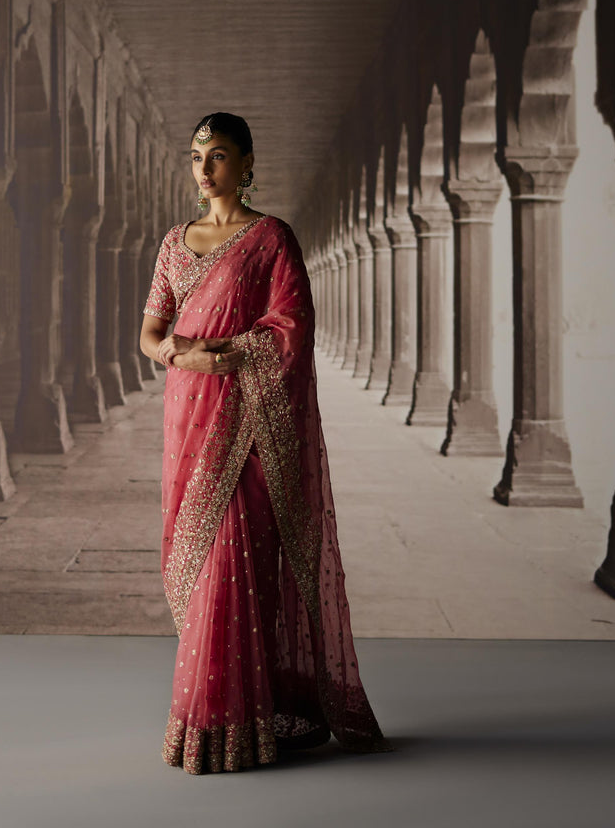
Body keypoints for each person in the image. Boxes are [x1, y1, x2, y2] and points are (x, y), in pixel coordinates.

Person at [139, 112, 391, 775]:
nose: (204, 167)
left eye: (218, 155)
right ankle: (213, 722)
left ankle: (231, 727)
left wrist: (222, 351)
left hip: (248, 422)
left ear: (247, 163)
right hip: (187, 418)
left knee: (233, 561)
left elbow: (291, 327)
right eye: (196, 155)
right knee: (195, 566)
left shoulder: (271, 238)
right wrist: (177, 356)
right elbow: (150, 334)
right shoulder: (172, 244)